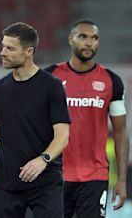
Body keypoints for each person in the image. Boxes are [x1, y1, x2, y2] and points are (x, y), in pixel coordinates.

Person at [0, 22, 71, 218]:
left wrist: (42, 160)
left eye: (10, 48)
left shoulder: (51, 86)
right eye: (2, 47)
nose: (3, 52)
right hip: (8, 184)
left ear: (29, 51)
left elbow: (62, 136)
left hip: (46, 183)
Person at [46, 19, 130, 218]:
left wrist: (122, 180)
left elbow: (120, 132)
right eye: (83, 36)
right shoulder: (50, 77)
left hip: (95, 175)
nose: (89, 42)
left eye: (94, 38)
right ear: (70, 39)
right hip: (55, 175)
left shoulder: (112, 82)